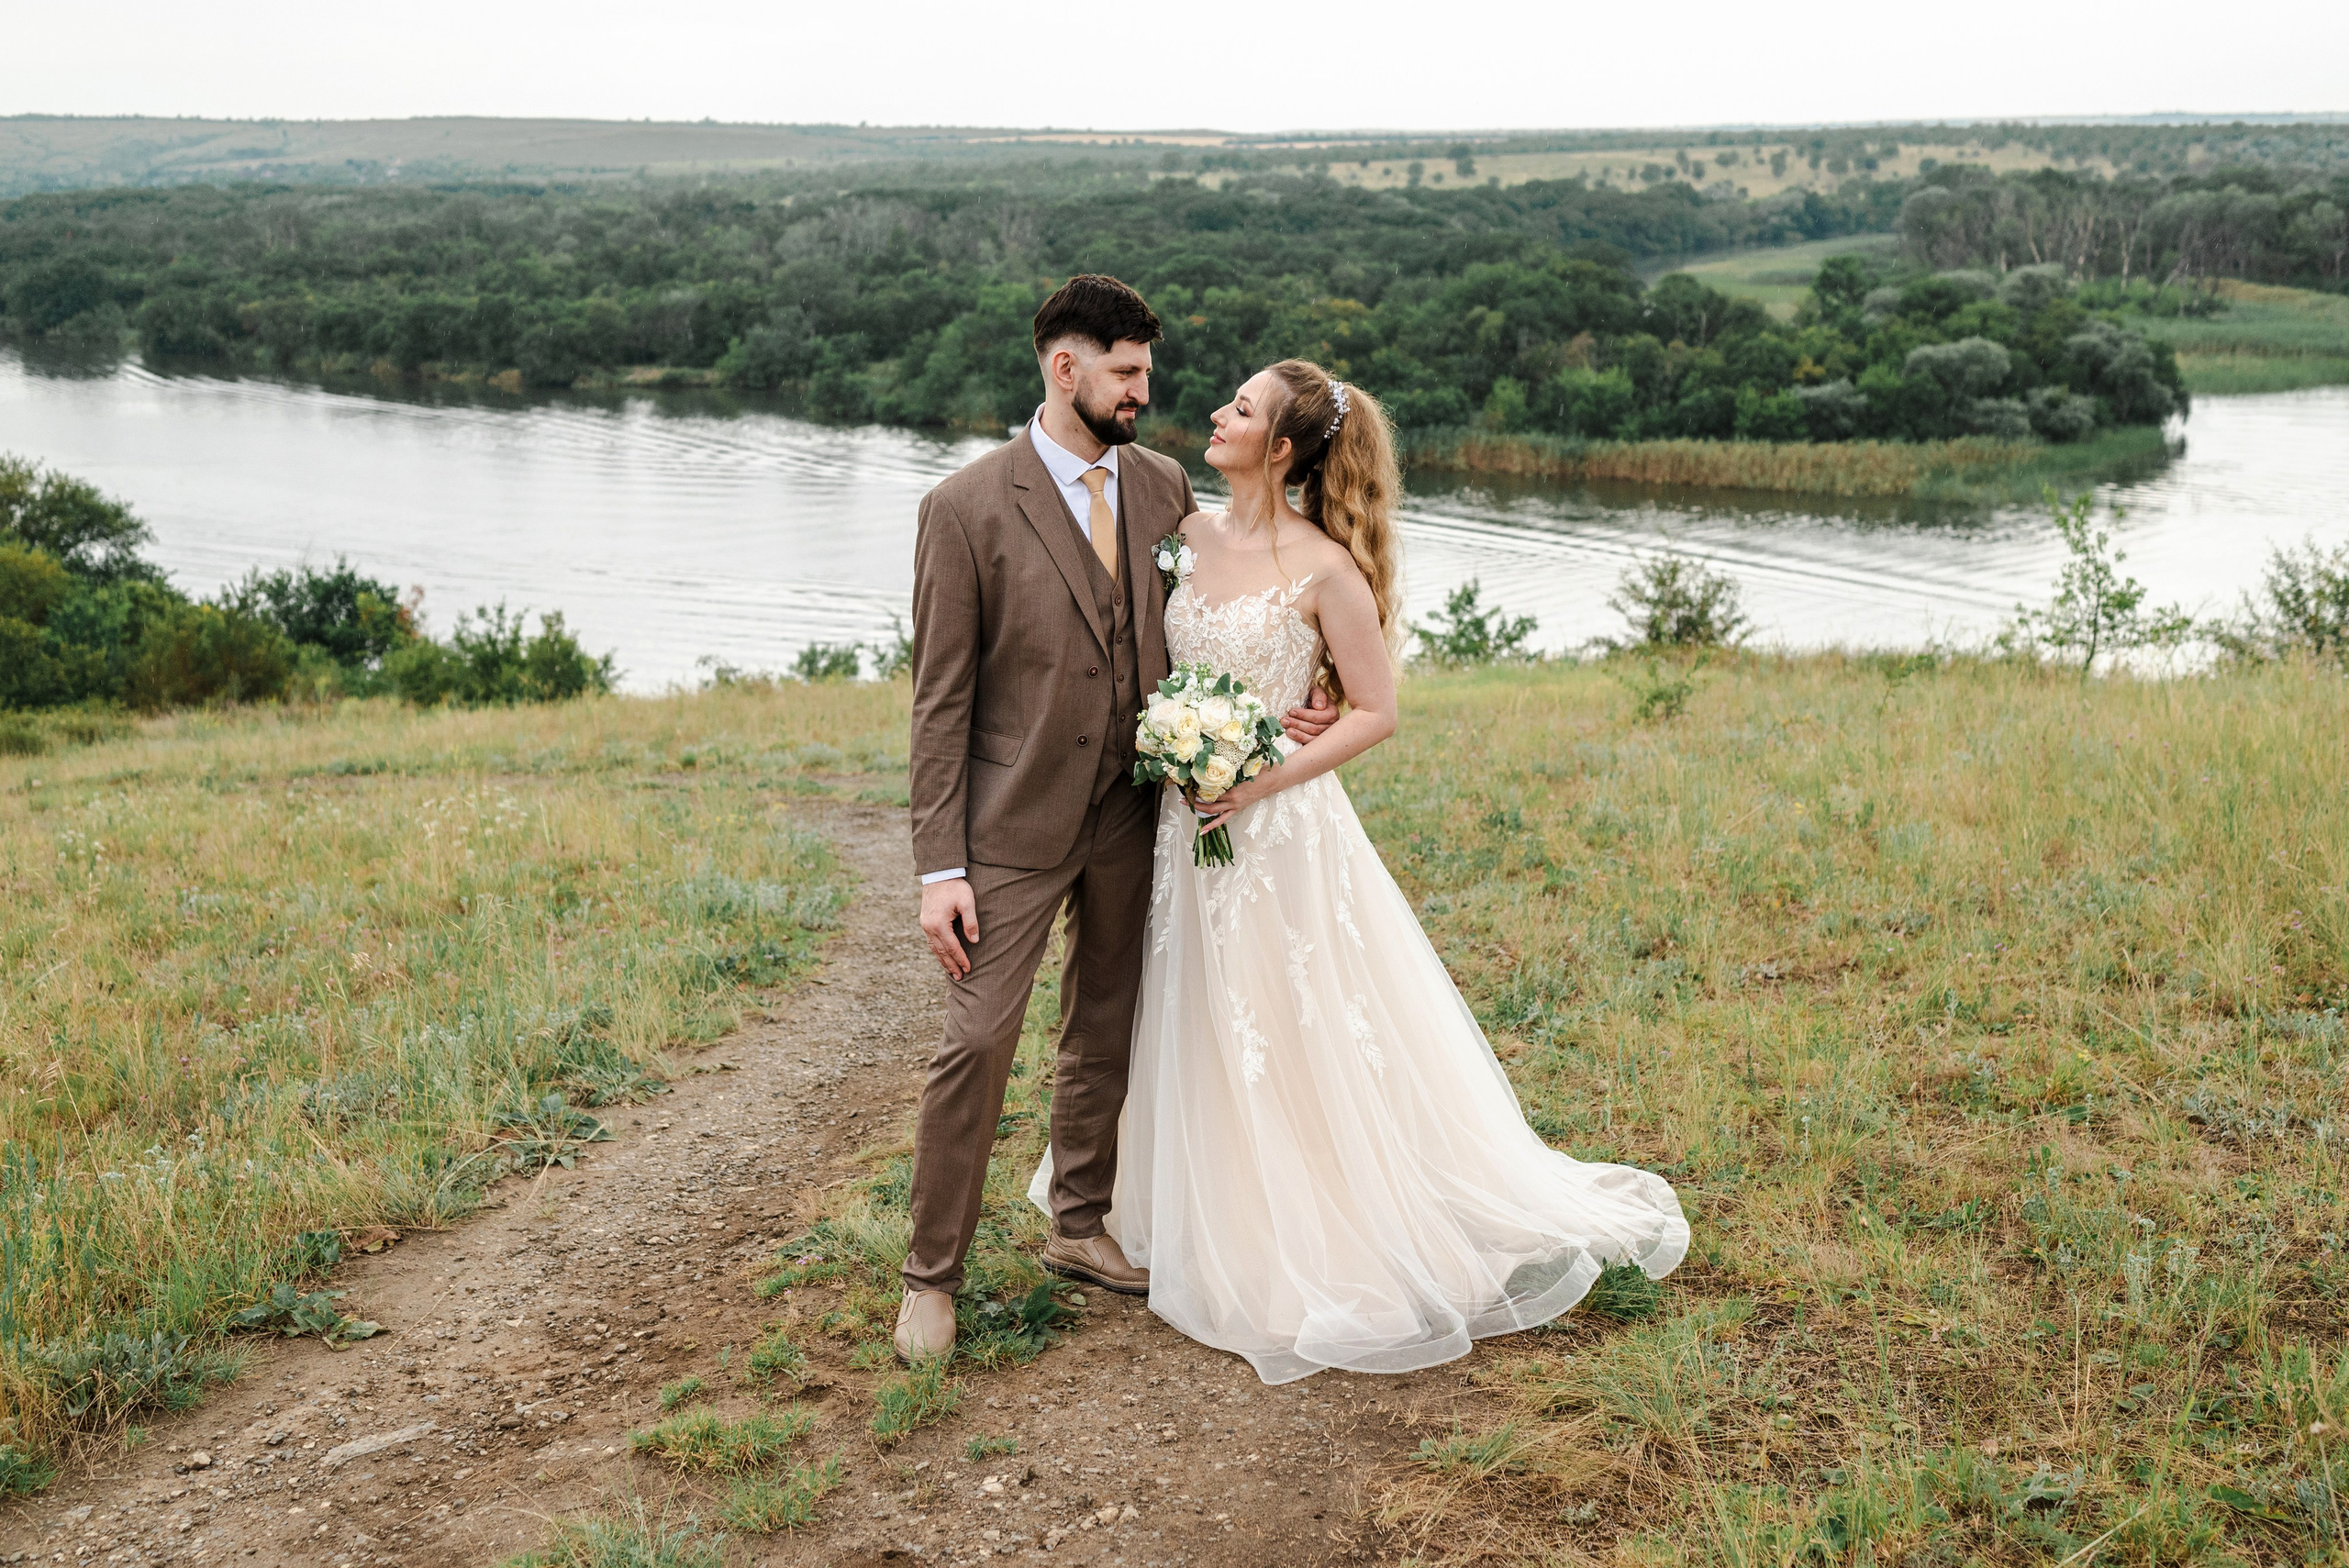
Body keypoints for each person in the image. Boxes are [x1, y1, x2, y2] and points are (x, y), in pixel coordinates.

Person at [1028, 360, 1688, 1384]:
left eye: (1240, 409)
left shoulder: (1327, 568)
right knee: (1185, 1005)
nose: (1216, 411)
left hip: (1275, 830)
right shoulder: (1182, 533)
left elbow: (1377, 710)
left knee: (1284, 1018)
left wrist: (1259, 776)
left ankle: (1302, 1220)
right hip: (1176, 820)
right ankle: (1162, 1196)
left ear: (1281, 449)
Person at [901, 278, 1334, 1362]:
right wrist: (938, 867)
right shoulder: (961, 508)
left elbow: (1236, 599)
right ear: (1065, 369)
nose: (1147, 391)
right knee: (977, 1042)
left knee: (1106, 1025)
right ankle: (929, 1276)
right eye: (1127, 372)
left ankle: (1079, 1226)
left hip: (1137, 811)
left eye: (1147, 369)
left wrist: (1308, 687)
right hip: (1007, 823)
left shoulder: (1162, 484)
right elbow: (940, 701)